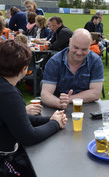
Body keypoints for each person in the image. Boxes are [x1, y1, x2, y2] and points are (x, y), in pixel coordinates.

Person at [0, 39, 66, 176]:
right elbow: (28, 136)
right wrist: (55, 124)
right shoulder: (8, 94)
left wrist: (50, 119)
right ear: (24, 69)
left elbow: (16, 117)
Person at [41, 28, 104, 109]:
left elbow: (95, 93)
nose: (79, 52)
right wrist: (59, 103)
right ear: (70, 42)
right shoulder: (55, 62)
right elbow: (45, 94)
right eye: (76, 48)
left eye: (84, 49)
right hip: (58, 109)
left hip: (87, 107)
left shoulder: (95, 61)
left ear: (90, 46)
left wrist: (68, 99)